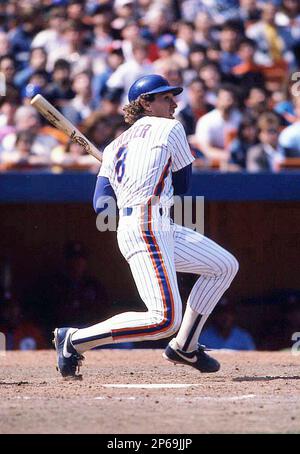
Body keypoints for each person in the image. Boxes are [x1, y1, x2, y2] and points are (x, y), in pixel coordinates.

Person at [54, 74, 239, 378]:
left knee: (223, 265)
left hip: (150, 223)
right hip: (147, 225)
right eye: (165, 98)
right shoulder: (170, 127)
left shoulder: (114, 147)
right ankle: (74, 340)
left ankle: (185, 346)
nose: (174, 103)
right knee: (164, 320)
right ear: (145, 103)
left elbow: (100, 203)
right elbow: (182, 185)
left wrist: (125, 186)